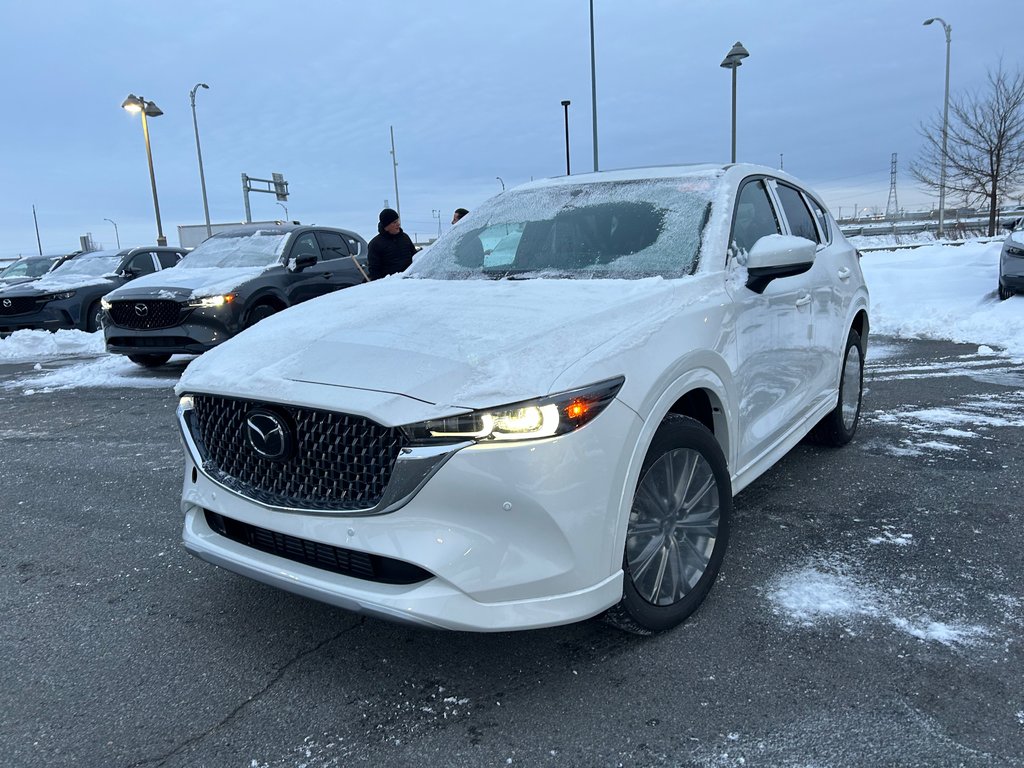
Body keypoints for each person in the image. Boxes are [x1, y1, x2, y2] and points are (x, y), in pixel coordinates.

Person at [367, 208, 417, 280]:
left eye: (398, 221)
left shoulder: (405, 238)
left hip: (410, 280)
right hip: (390, 284)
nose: (398, 224)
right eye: (394, 222)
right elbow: (374, 270)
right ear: (386, 227)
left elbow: (415, 257)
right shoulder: (375, 244)